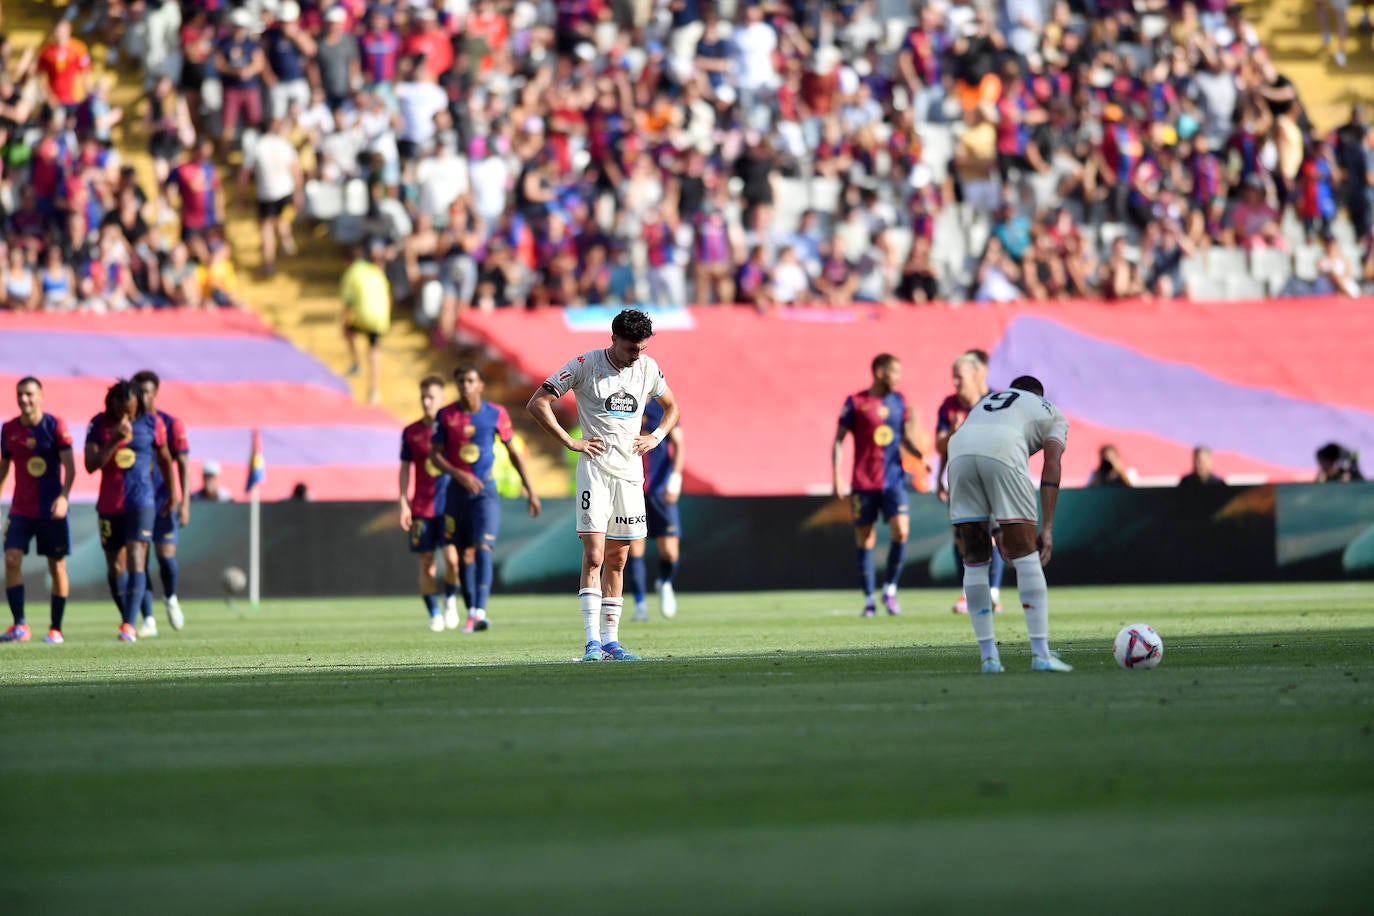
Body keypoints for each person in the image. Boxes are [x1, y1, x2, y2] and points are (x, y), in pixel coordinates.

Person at [527, 309, 680, 662]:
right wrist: (569, 440)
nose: (636, 355)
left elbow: (672, 407)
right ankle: (592, 642)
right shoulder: (585, 365)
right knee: (594, 555)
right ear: (614, 339)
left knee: (619, 558)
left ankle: (612, 641)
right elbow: (538, 401)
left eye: (641, 348)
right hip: (595, 472)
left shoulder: (648, 368)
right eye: (631, 348)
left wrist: (656, 436)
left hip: (629, 476)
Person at [947, 376, 1072, 673]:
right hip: (1002, 451)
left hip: (959, 452)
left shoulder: (988, 402)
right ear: (1038, 395)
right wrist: (1048, 529)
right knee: (1027, 556)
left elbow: (977, 449)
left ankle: (989, 658)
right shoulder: (1051, 410)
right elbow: (1051, 465)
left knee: (975, 559)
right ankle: (1041, 655)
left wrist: (995, 529)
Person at [432, 366, 540, 633]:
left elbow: (512, 451)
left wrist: (530, 489)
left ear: (480, 384)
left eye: (470, 380)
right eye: (460, 381)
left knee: (483, 548)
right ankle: (471, 611)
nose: (465, 385)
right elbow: (434, 455)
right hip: (456, 493)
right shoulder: (446, 415)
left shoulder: (495, 413)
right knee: (462, 555)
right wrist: (458, 473)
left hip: (486, 493)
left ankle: (479, 612)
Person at [85, 380, 178, 642]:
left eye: (130, 410)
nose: (126, 416)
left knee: (138, 554)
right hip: (109, 505)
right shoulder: (99, 424)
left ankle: (128, 624)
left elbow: (166, 459)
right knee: (115, 567)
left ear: (138, 404)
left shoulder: (152, 423)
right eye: (120, 410)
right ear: (112, 404)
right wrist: (115, 438)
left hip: (142, 501)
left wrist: (172, 494)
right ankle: (128, 617)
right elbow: (91, 464)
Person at [832, 353, 923, 617]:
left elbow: (904, 438)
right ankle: (869, 599)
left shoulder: (899, 400)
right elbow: (838, 439)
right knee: (865, 538)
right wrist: (837, 475)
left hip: (894, 478)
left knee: (901, 531)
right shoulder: (856, 402)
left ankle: (890, 590)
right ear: (880, 372)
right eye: (894, 372)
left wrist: (917, 455)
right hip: (864, 481)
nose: (898, 378)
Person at [0, 378, 75, 644]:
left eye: (29, 394)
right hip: (21, 509)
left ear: (41, 396)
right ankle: (20, 625)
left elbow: (71, 467)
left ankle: (56, 628)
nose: (24, 399)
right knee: (11, 559)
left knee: (57, 567)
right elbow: (3, 469)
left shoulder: (55, 426)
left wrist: (64, 497)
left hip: (50, 510)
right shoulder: (9, 429)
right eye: (20, 394)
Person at [937, 351, 1005, 613]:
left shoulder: (996, 402)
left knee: (991, 534)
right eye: (953, 377)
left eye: (960, 377)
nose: (955, 382)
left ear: (977, 375)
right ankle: (968, 594)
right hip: (959, 479)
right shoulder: (949, 406)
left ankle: (993, 593)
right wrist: (954, 432)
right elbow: (939, 444)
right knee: (962, 538)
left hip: (989, 477)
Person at [131, 371, 190, 635]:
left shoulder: (170, 423)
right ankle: (149, 620)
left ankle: (170, 598)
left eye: (146, 391)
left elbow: (183, 465)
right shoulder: (129, 424)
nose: (142, 396)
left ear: (156, 393)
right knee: (139, 560)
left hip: (164, 502)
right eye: (138, 391)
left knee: (166, 558)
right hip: (138, 503)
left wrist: (184, 501)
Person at [399, 376, 460, 632]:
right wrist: (403, 501)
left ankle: (450, 601)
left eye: (431, 397)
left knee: (452, 559)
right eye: (423, 396)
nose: (426, 402)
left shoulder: (452, 429)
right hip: (422, 507)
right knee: (426, 561)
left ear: (442, 399)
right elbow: (404, 469)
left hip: (449, 504)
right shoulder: (411, 432)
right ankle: (434, 613)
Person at [628, 397, 685, 622]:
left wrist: (675, 479)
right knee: (634, 550)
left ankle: (665, 582)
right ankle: (640, 604)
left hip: (660, 490)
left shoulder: (661, 407)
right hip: (632, 490)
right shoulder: (623, 403)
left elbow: (679, 442)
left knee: (670, 551)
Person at [341, 239, 392, 404]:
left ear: (347, 261)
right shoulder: (376, 270)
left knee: (348, 332)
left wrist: (344, 321)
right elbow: (388, 295)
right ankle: (374, 391)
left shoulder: (352, 273)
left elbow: (348, 302)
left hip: (363, 315)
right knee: (374, 351)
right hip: (381, 316)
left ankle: (356, 364)